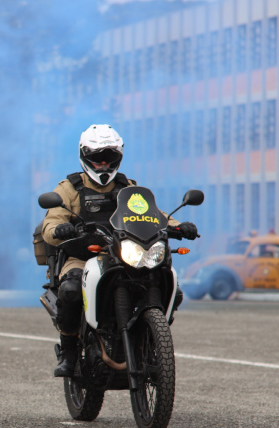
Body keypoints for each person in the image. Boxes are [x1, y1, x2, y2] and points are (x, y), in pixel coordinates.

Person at [40, 124, 198, 378]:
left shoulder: (129, 187)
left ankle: (152, 338)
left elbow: (155, 216)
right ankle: (69, 352)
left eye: (109, 158)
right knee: (70, 291)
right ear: (84, 156)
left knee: (170, 284)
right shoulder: (69, 189)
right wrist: (59, 230)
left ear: (119, 158)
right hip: (84, 255)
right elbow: (52, 221)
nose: (103, 164)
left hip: (124, 254)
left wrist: (180, 226)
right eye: (97, 158)